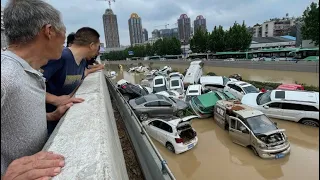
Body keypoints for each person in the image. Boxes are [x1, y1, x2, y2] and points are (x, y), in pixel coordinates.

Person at [1, 0, 74, 178]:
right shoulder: (5, 75)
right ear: (49, 31)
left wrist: (50, 116)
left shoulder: (25, 71)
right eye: (63, 39)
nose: (63, 45)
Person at [42, 27, 103, 135]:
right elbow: (30, 86)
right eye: (98, 47)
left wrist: (96, 69)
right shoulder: (61, 57)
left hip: (61, 115)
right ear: (92, 45)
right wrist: (55, 100)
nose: (97, 52)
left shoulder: (82, 61)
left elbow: (82, 74)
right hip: (45, 119)